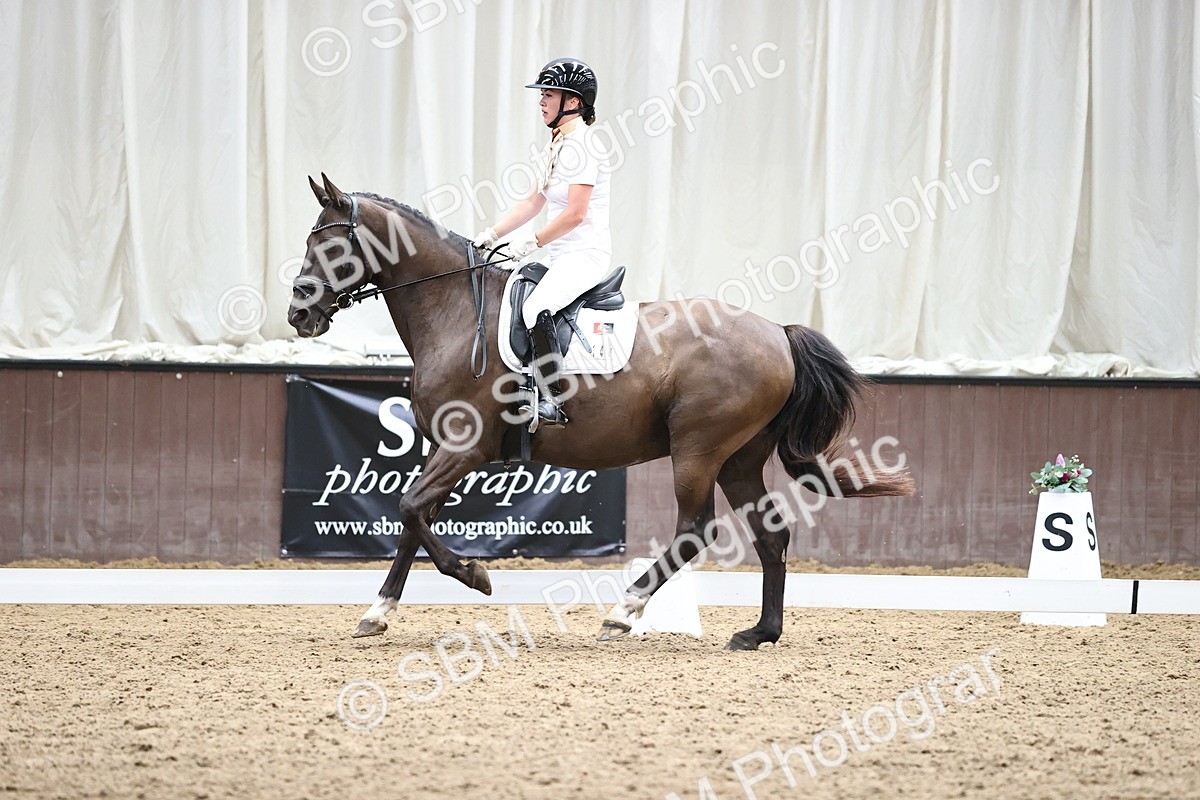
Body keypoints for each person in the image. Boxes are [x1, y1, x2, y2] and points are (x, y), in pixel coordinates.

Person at [473, 57, 612, 429]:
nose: (541, 101)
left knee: (536, 307)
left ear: (573, 101)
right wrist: (491, 235)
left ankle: (552, 399)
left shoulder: (584, 146)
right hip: (561, 254)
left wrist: (532, 241)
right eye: (542, 94)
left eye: (549, 94)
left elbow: (576, 214)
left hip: (585, 254)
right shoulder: (557, 144)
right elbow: (532, 203)